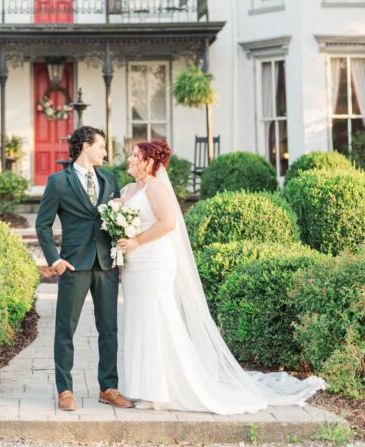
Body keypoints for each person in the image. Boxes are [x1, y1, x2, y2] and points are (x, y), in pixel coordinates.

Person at [116, 138, 325, 413]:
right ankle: (142, 385)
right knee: (138, 321)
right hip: (134, 265)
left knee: (157, 321)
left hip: (154, 261)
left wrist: (136, 242)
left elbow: (168, 224)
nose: (129, 159)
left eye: (135, 155)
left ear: (149, 161)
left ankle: (161, 390)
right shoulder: (128, 189)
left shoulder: (156, 189)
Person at [35, 125, 133, 412]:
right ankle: (64, 390)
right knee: (66, 329)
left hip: (105, 264)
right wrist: (55, 260)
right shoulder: (58, 182)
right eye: (101, 146)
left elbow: (116, 220)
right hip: (73, 265)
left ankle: (108, 388)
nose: (105, 152)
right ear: (85, 147)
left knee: (109, 329)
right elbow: (42, 224)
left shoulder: (110, 178)